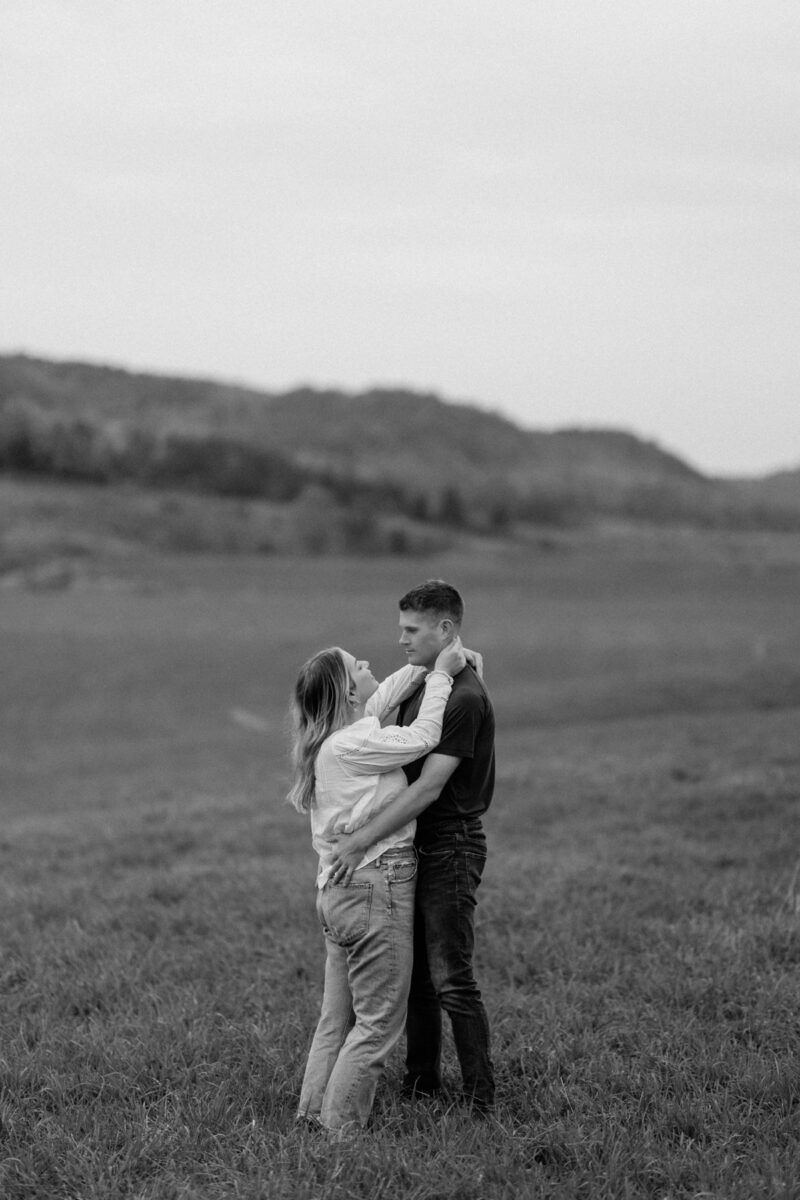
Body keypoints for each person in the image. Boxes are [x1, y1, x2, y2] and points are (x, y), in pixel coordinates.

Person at [287, 635, 467, 1135]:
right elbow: (425, 736)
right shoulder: (354, 745)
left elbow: (383, 695)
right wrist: (442, 677)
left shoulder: (339, 737)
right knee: (376, 1025)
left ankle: (310, 1116)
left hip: (338, 895)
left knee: (334, 1021)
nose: (369, 664)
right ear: (347, 694)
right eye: (357, 665)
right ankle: (339, 1135)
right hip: (374, 887)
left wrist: (429, 661)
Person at [329, 580, 496, 1113]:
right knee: (418, 977)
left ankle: (479, 1098)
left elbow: (428, 787)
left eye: (411, 630)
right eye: (400, 627)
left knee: (452, 977)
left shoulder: (463, 696)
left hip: (451, 844)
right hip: (418, 842)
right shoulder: (429, 683)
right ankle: (421, 1084)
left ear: (445, 629)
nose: (400, 639)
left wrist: (360, 840)